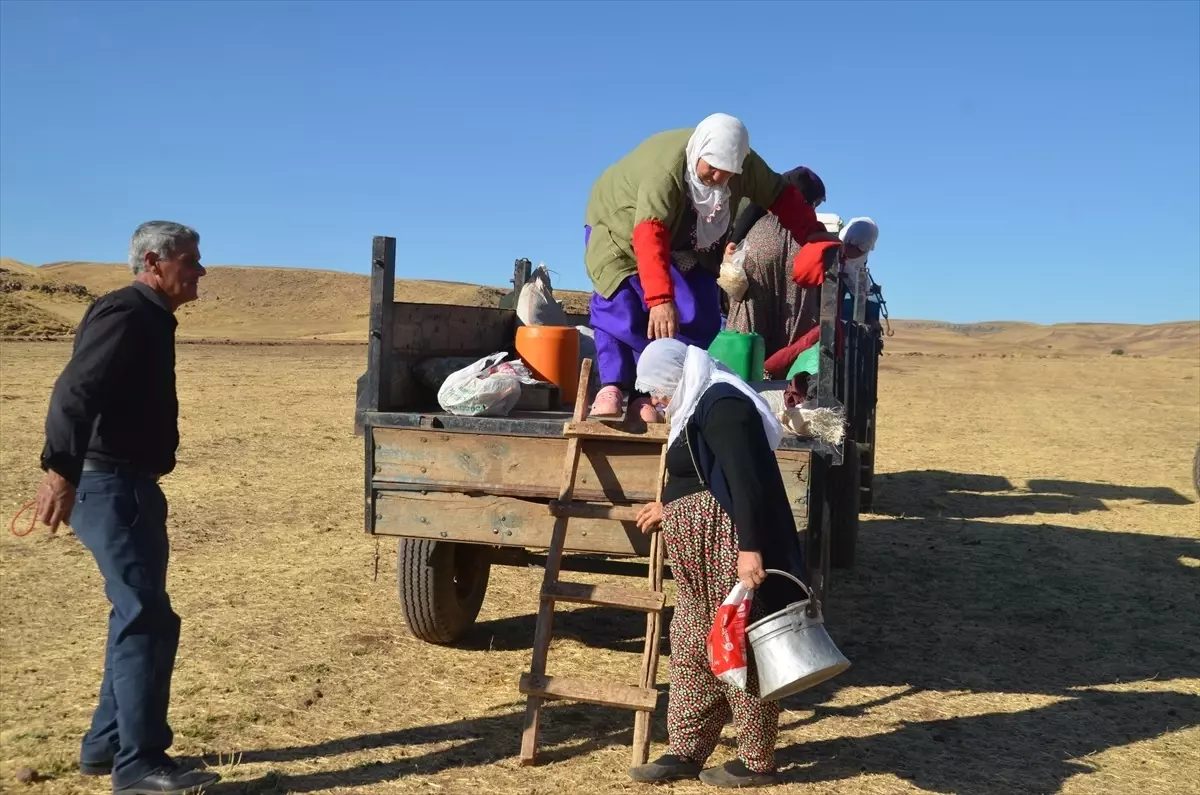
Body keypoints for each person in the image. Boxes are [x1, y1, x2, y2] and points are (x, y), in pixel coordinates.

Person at [34, 221, 220, 795]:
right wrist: (59, 471)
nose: (200, 270)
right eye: (190, 259)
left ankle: (106, 745)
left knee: (134, 613)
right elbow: (75, 391)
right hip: (112, 486)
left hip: (123, 485)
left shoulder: (147, 316)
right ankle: (139, 765)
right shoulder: (128, 313)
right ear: (154, 262)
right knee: (146, 619)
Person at [630, 339, 808, 788]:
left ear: (677, 376)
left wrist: (751, 548)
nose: (656, 399)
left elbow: (746, 483)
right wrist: (668, 508)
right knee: (691, 645)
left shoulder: (723, 405)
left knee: (736, 644)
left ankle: (756, 758)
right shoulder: (694, 405)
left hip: (726, 547)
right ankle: (686, 749)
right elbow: (699, 477)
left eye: (658, 388)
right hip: (697, 555)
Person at [584, 113, 829, 423]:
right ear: (699, 152)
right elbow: (650, 231)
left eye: (726, 173)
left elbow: (782, 197)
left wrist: (814, 236)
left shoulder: (747, 166)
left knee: (697, 312)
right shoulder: (665, 171)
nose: (717, 177)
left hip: (685, 235)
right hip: (621, 226)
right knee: (621, 305)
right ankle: (613, 387)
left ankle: (651, 395)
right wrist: (660, 298)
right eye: (711, 168)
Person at [728, 207, 880, 379]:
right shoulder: (831, 251)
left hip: (802, 310)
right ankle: (765, 370)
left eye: (859, 248)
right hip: (808, 312)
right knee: (804, 342)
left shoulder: (840, 256)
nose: (854, 251)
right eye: (856, 246)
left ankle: (762, 370)